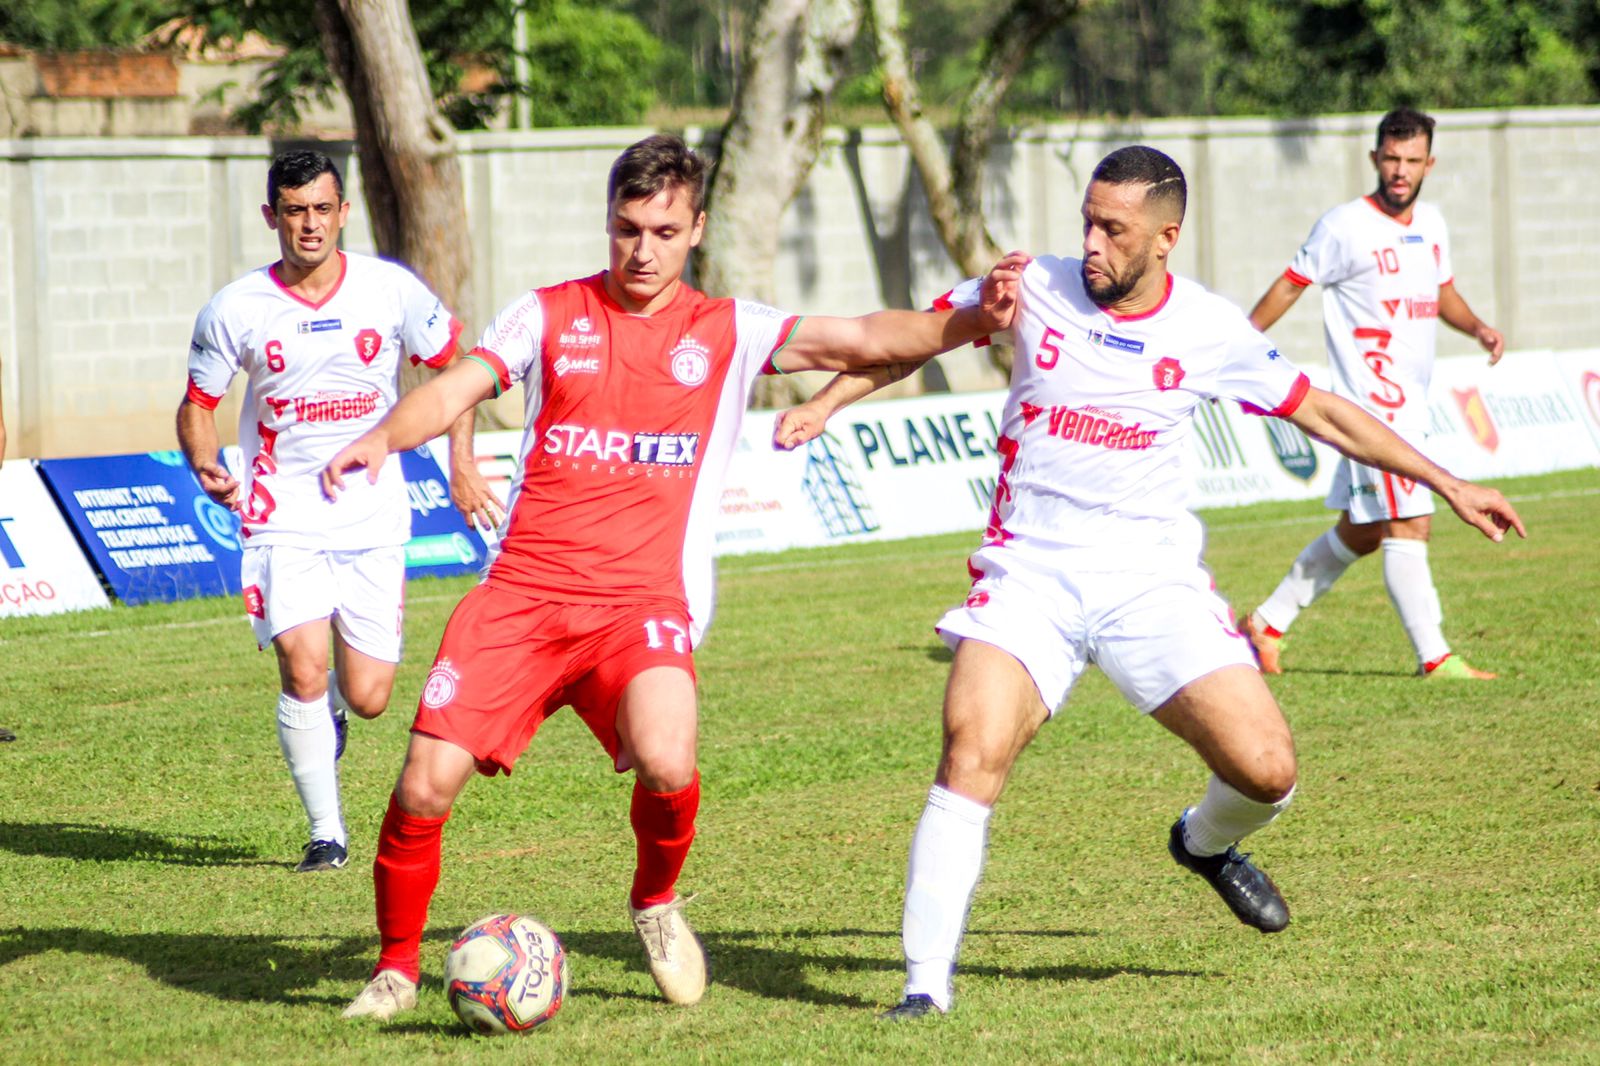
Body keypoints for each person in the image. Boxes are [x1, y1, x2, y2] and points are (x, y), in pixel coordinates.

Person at [775, 145, 1524, 1020]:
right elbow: (909, 343)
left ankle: (1204, 845)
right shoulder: (1032, 285)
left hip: (1151, 586)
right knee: (970, 750)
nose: (1090, 242)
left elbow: (1323, 410)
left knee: (1268, 770)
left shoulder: (1207, 328)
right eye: (1086, 221)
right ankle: (924, 987)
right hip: (1032, 578)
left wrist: (1450, 483)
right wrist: (825, 404)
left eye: (1112, 229)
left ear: (1166, 238)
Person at [324, 133, 1026, 1021]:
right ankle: (393, 968)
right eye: (626, 229)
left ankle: (654, 903)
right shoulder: (548, 314)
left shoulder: (728, 331)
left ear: (694, 229)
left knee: (668, 758)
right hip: (524, 596)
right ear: (608, 224)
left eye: (662, 230)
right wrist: (381, 439)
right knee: (424, 783)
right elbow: (457, 387)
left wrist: (977, 317)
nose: (641, 250)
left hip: (640, 605)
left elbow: (867, 335)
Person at [176, 149, 498, 874]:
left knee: (373, 694)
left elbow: (461, 369)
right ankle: (327, 833)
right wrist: (205, 463)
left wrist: (462, 461)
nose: (310, 225)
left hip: (373, 518)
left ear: (344, 212)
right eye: (295, 211)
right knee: (302, 666)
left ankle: (335, 715)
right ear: (272, 218)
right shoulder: (236, 308)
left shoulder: (389, 290)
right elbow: (197, 406)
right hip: (280, 513)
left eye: (323, 209)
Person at [1239, 107, 1506, 679]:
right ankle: (1436, 658)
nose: (1400, 170)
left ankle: (1263, 625)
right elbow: (1291, 285)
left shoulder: (1431, 225)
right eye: (1391, 158)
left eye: (1412, 160)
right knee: (1412, 524)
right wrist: (1238, 341)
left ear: (1429, 163)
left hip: (1413, 405)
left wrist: (1478, 326)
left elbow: (1443, 292)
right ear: (1374, 159)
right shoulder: (1342, 227)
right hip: (1370, 408)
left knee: (1360, 532)